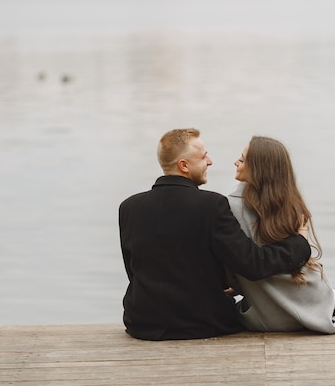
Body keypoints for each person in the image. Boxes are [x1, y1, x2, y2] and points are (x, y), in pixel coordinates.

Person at [118, 128, 313, 341]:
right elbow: (254, 264)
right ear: (184, 166)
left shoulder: (128, 207)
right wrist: (300, 243)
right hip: (202, 323)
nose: (210, 162)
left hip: (142, 322)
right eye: (203, 157)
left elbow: (135, 271)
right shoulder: (212, 205)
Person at [227, 135, 335, 334]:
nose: (236, 162)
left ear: (257, 169)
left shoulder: (229, 208)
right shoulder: (288, 205)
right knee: (298, 275)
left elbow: (238, 264)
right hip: (308, 305)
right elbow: (295, 259)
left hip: (265, 317)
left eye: (242, 159)